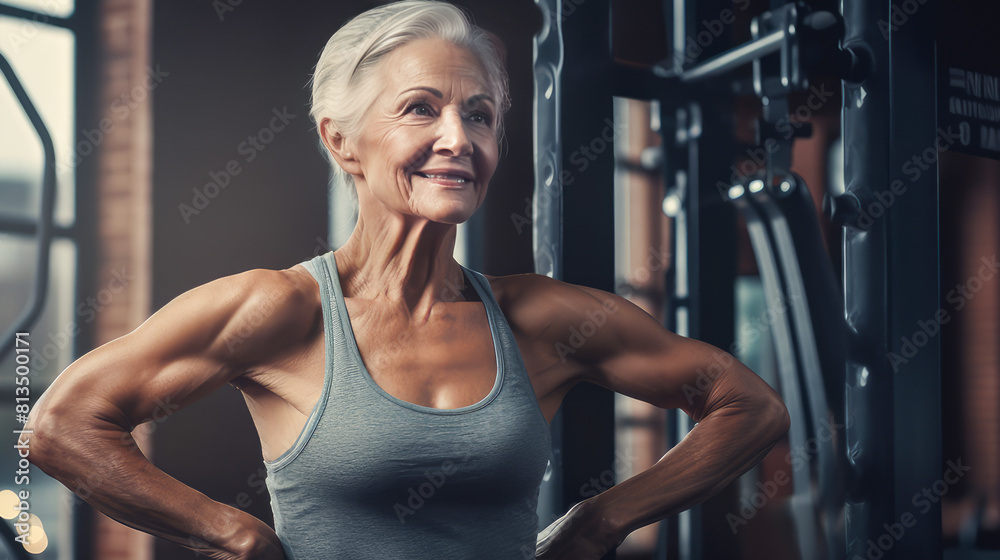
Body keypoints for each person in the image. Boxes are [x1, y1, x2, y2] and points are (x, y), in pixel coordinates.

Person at [25, 1, 790, 559]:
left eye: (480, 115)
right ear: (343, 141)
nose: (458, 138)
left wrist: (602, 521)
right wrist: (234, 534)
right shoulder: (282, 310)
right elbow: (62, 426)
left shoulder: (542, 319)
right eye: (420, 110)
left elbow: (748, 406)